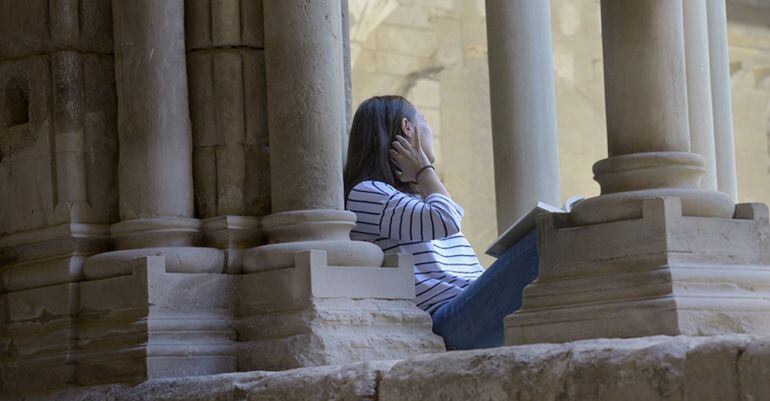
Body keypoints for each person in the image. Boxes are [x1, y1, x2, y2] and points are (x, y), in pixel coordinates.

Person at [343, 95, 539, 350]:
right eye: (423, 120)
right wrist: (424, 169)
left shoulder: (416, 196)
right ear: (407, 129)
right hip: (447, 321)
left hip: (468, 308)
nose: (430, 129)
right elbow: (446, 219)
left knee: (553, 233)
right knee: (545, 237)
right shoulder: (367, 192)